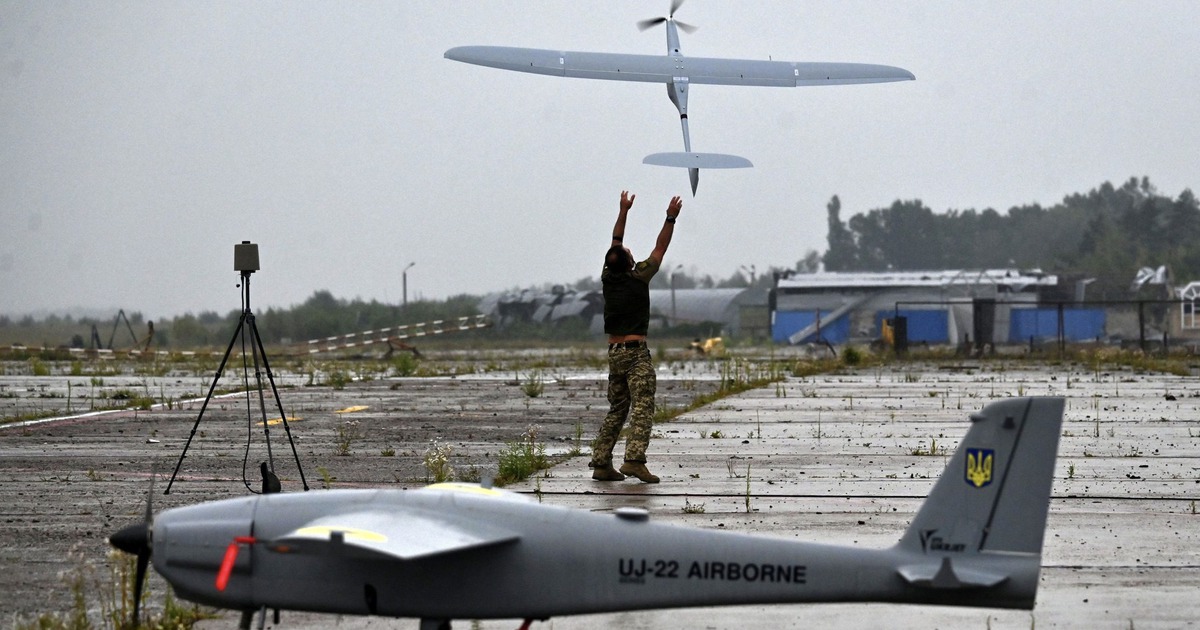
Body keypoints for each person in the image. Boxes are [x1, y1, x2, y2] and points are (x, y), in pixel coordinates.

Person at [590, 190, 682, 484]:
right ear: (630, 262)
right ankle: (634, 460)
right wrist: (670, 218)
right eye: (629, 252)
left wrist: (623, 210)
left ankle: (602, 463)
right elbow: (660, 247)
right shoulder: (638, 276)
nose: (629, 249)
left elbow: (615, 242)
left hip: (614, 353)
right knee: (643, 405)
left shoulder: (608, 277)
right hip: (634, 352)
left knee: (618, 408)